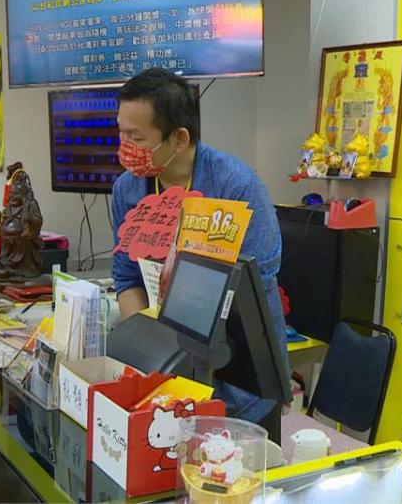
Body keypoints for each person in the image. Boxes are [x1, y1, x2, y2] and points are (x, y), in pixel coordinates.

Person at [110, 68, 290, 443]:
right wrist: (151, 353)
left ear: (178, 138)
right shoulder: (128, 190)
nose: (125, 145)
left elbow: (255, 288)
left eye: (136, 136)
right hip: (167, 380)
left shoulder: (235, 187)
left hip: (241, 388)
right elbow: (126, 277)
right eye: (121, 132)